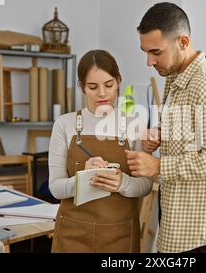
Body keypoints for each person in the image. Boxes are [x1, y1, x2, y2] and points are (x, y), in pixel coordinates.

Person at [125, 2, 206, 253]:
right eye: (145, 51)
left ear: (183, 42)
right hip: (177, 222)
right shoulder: (175, 77)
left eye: (156, 52)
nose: (149, 61)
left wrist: (159, 166)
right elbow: (192, 135)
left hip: (197, 234)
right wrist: (160, 135)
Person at [49, 49, 153, 253]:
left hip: (119, 235)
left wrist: (123, 183)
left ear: (118, 81)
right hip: (73, 234)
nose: (102, 94)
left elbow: (145, 185)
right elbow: (55, 187)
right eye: (93, 87)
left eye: (108, 85)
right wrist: (82, 180)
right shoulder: (65, 124)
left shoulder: (134, 124)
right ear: (82, 87)